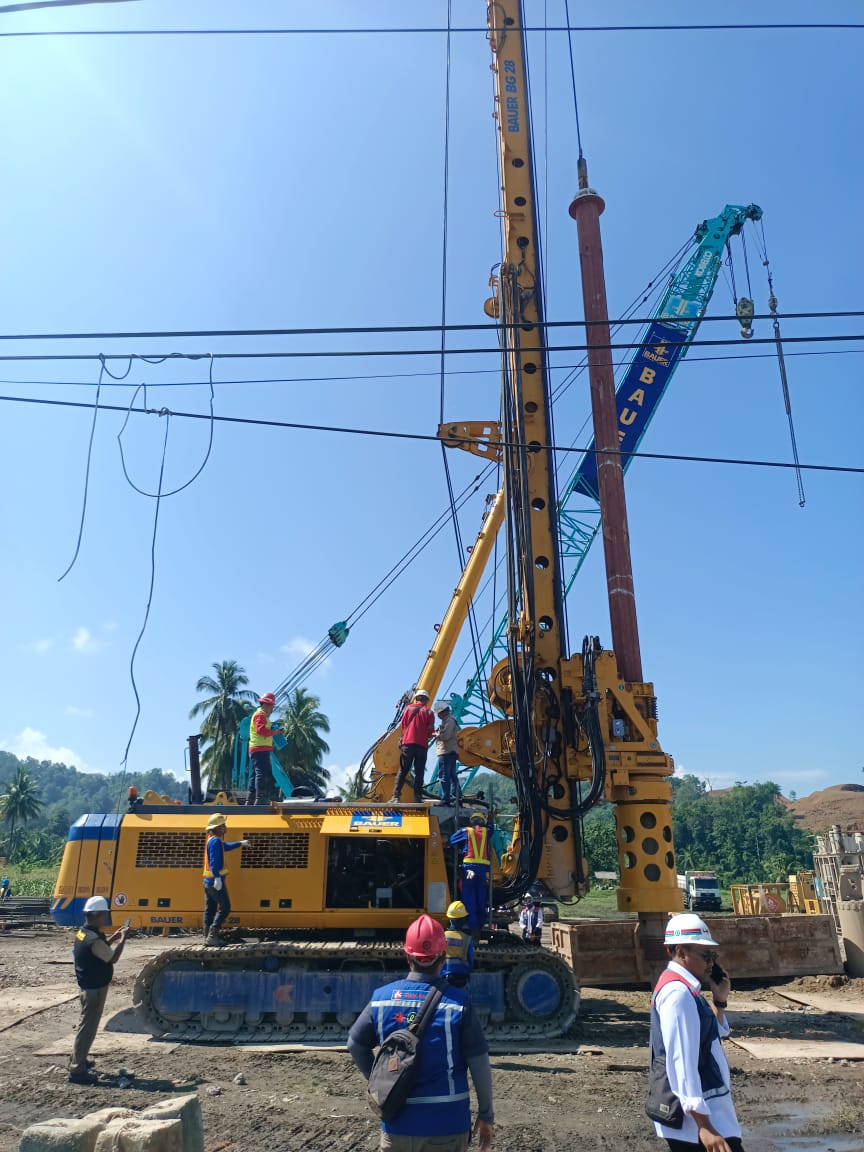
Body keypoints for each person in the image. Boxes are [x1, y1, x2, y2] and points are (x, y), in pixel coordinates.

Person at [347, 914, 494, 1152]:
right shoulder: (458, 1004)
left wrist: (380, 1083)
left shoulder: (381, 999)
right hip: (447, 1125)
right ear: (443, 957)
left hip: (397, 1125)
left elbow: (355, 1044)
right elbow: (478, 1061)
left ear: (408, 957)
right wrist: (486, 1114)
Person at [648, 913, 743, 1152]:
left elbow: (708, 1041)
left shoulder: (687, 990)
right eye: (705, 955)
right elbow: (681, 1061)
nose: (711, 963)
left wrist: (719, 1002)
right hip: (698, 1123)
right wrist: (705, 1127)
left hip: (706, 1114)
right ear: (681, 952)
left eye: (713, 956)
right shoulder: (678, 994)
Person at [68, 895, 128, 1084]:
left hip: (87, 986)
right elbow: (112, 958)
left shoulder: (83, 933)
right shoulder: (94, 939)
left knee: (84, 1025)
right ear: (98, 915)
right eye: (104, 914)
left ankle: (78, 1058)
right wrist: (122, 940)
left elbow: (97, 950)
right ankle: (77, 1070)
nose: (105, 918)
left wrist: (112, 938)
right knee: (88, 1029)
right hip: (95, 990)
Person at [203, 812, 250, 946]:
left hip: (208, 882)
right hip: (215, 882)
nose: (225, 827)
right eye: (223, 825)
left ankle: (207, 937)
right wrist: (217, 878)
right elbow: (214, 862)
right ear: (217, 828)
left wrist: (240, 843)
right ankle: (212, 936)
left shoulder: (212, 840)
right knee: (225, 907)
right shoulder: (215, 841)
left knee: (210, 910)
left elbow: (226, 846)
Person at [449, 811, 495, 934]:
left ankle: (472, 927)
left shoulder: (466, 831)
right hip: (483, 871)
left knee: (469, 899)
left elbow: (451, 840)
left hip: (469, 870)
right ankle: (479, 928)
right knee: (481, 898)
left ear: (471, 821)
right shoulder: (487, 832)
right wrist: (491, 819)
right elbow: (491, 827)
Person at [390, 688, 435, 804]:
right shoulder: (429, 712)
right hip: (421, 745)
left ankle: (396, 796)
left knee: (403, 770)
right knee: (419, 773)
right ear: (426, 700)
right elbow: (430, 732)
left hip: (407, 743)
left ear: (416, 698)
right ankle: (417, 798)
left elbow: (404, 725)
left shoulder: (408, 708)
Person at [247, 691, 282, 805]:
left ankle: (250, 800)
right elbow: (261, 730)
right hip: (260, 749)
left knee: (255, 774)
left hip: (258, 749)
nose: (272, 709)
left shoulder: (262, 716)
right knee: (262, 773)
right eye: (272, 706)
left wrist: (273, 729)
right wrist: (275, 732)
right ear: (267, 705)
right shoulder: (260, 715)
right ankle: (260, 798)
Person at [434, 701, 461, 806]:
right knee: (452, 775)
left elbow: (446, 736)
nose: (437, 716)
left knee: (444, 775)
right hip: (451, 752)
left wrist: (437, 734)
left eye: (438, 713)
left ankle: (446, 799)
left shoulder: (449, 721)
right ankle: (457, 798)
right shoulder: (448, 721)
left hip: (446, 751)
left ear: (442, 712)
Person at [442, 899, 474, 988]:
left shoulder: (442, 936)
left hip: (443, 977)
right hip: (461, 979)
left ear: (449, 919)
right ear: (464, 920)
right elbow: (471, 961)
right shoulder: (467, 939)